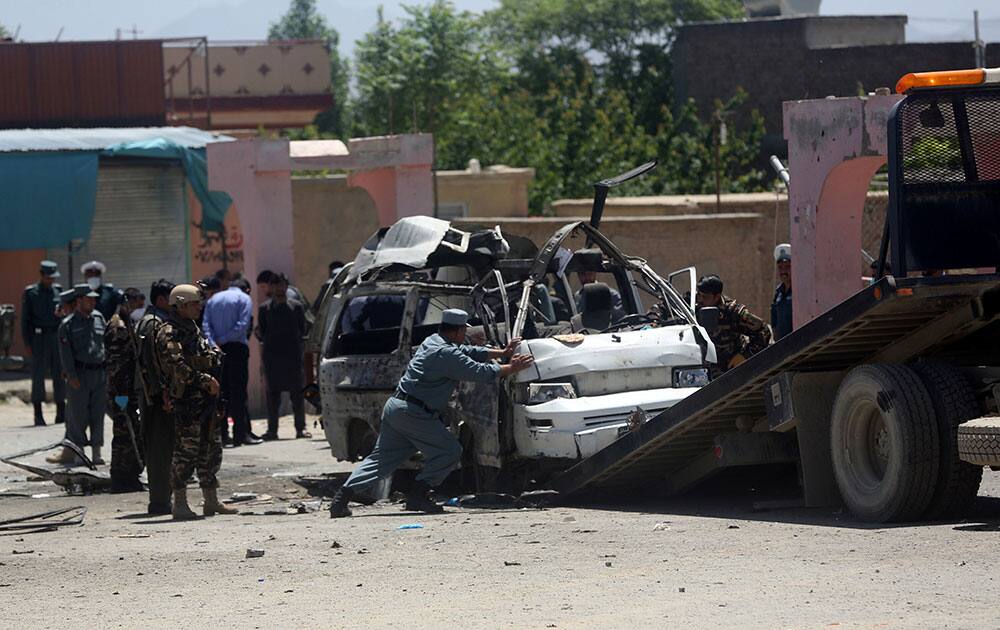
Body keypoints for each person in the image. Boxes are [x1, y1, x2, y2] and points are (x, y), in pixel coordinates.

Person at [329, 309, 534, 518]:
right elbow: (480, 372)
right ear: (456, 331)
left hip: (398, 407)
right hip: (414, 413)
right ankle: (419, 495)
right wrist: (512, 367)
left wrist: (502, 353)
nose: (465, 335)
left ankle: (341, 499)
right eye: (464, 330)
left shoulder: (433, 341)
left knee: (382, 459)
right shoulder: (446, 354)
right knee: (450, 451)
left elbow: (468, 351)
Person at [156, 284, 238, 520]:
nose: (199, 307)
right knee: (186, 453)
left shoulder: (193, 329)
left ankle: (211, 501)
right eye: (194, 304)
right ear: (181, 305)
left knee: (211, 450)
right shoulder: (169, 332)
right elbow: (176, 366)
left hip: (206, 401)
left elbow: (204, 354)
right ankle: (179, 503)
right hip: (188, 403)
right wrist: (202, 380)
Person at [50, 285, 107, 465]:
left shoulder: (99, 318)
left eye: (94, 299)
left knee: (98, 414)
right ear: (79, 301)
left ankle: (97, 452)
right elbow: (65, 353)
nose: (93, 301)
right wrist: (71, 375)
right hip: (79, 375)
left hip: (99, 373)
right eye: (88, 299)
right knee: (78, 415)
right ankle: (78, 452)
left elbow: (105, 345)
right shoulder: (68, 324)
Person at [202, 271, 259, 446]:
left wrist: (214, 343)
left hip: (217, 350)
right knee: (239, 393)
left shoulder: (213, 300)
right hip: (237, 349)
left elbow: (206, 325)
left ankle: (223, 435)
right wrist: (225, 339)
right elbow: (243, 325)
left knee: (221, 391)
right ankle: (240, 435)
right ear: (246, 289)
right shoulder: (244, 299)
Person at [136, 279, 176, 515]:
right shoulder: (153, 324)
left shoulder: (153, 321)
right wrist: (162, 392)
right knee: (160, 448)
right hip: (155, 396)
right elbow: (152, 364)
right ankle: (160, 501)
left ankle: (162, 498)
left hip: (154, 394)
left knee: (162, 447)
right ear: (161, 299)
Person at [256, 274, 309, 440]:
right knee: (273, 397)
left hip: (292, 357)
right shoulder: (264, 309)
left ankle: (300, 429)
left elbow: (303, 329)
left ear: (287, 287)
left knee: (297, 395)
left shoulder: (296, 307)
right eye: (276, 285)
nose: (280, 288)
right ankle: (272, 430)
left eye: (283, 285)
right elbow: (261, 332)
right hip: (273, 358)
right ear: (271, 288)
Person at [105, 290, 144, 493]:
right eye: (138, 300)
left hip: (127, 389)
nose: (141, 304)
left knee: (130, 433)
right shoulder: (118, 326)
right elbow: (117, 364)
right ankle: (121, 477)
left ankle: (129, 475)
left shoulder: (126, 322)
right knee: (123, 433)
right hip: (121, 390)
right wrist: (121, 395)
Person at [695, 275, 772, 377]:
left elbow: (763, 331)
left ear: (717, 296)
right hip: (701, 370)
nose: (700, 300)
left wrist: (745, 356)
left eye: (705, 297)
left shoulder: (732, 312)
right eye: (698, 295)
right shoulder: (692, 307)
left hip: (730, 371)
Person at [21, 260, 66, 426]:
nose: (51, 280)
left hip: (56, 337)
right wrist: (27, 342)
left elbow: (63, 314)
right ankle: (38, 414)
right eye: (48, 277)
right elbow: (25, 320)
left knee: (59, 374)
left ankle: (61, 411)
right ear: (41, 275)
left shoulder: (58, 291)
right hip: (39, 339)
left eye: (53, 277)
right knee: (38, 376)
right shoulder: (31, 293)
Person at [770, 244, 793, 341]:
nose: (783, 271)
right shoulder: (778, 292)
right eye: (780, 267)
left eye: (787, 267)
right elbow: (774, 319)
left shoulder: (798, 291)